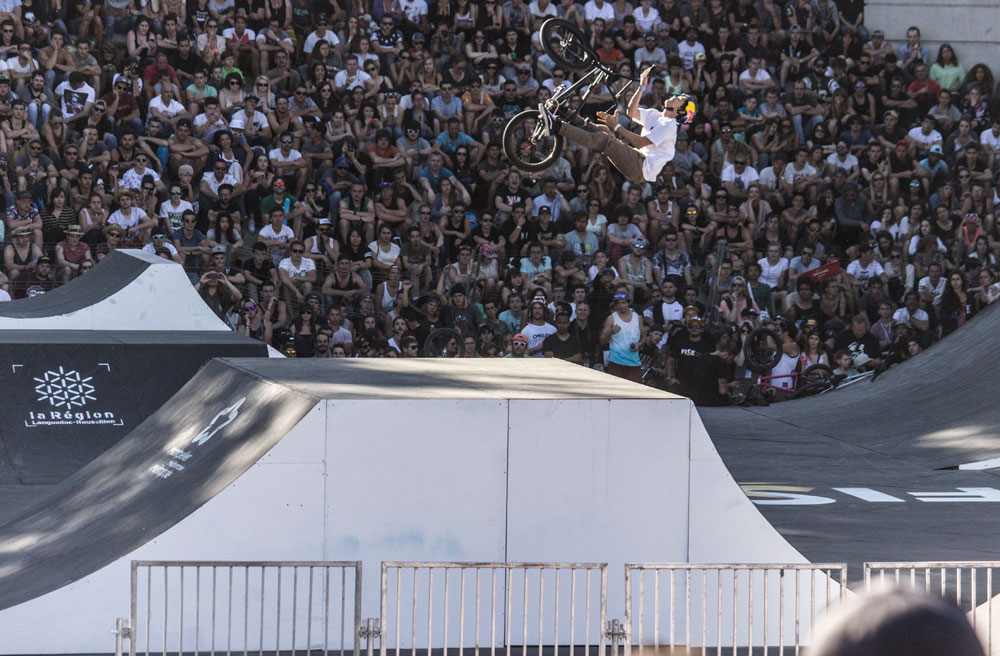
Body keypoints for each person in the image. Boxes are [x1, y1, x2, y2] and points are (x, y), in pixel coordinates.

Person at [538, 65, 693, 182]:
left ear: (679, 111)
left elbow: (640, 142)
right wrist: (641, 87)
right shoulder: (656, 114)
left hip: (641, 167)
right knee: (602, 130)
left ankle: (556, 125)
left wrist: (617, 126)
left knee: (604, 141)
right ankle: (566, 112)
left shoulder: (670, 125)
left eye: (679, 99)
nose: (675, 96)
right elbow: (631, 112)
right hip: (637, 158)